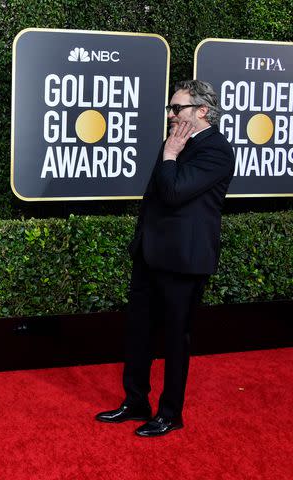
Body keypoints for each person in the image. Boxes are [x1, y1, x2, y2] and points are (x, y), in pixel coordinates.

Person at [95, 80, 235, 437]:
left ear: (202, 111)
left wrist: (171, 154)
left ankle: (170, 413)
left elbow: (172, 193)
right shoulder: (174, 142)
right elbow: (152, 199)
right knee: (138, 332)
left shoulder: (216, 150)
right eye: (171, 109)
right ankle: (136, 401)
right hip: (150, 255)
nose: (171, 115)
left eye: (178, 109)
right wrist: (140, 243)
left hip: (183, 261)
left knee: (175, 338)